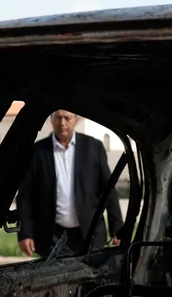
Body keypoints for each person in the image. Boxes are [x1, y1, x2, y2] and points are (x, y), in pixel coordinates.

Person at [16, 110, 124, 257]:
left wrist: (116, 226)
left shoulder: (93, 147)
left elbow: (108, 189)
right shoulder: (38, 151)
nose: (62, 123)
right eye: (58, 118)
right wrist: (25, 233)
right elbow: (25, 196)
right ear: (51, 120)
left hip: (90, 233)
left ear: (76, 119)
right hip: (52, 236)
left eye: (67, 118)